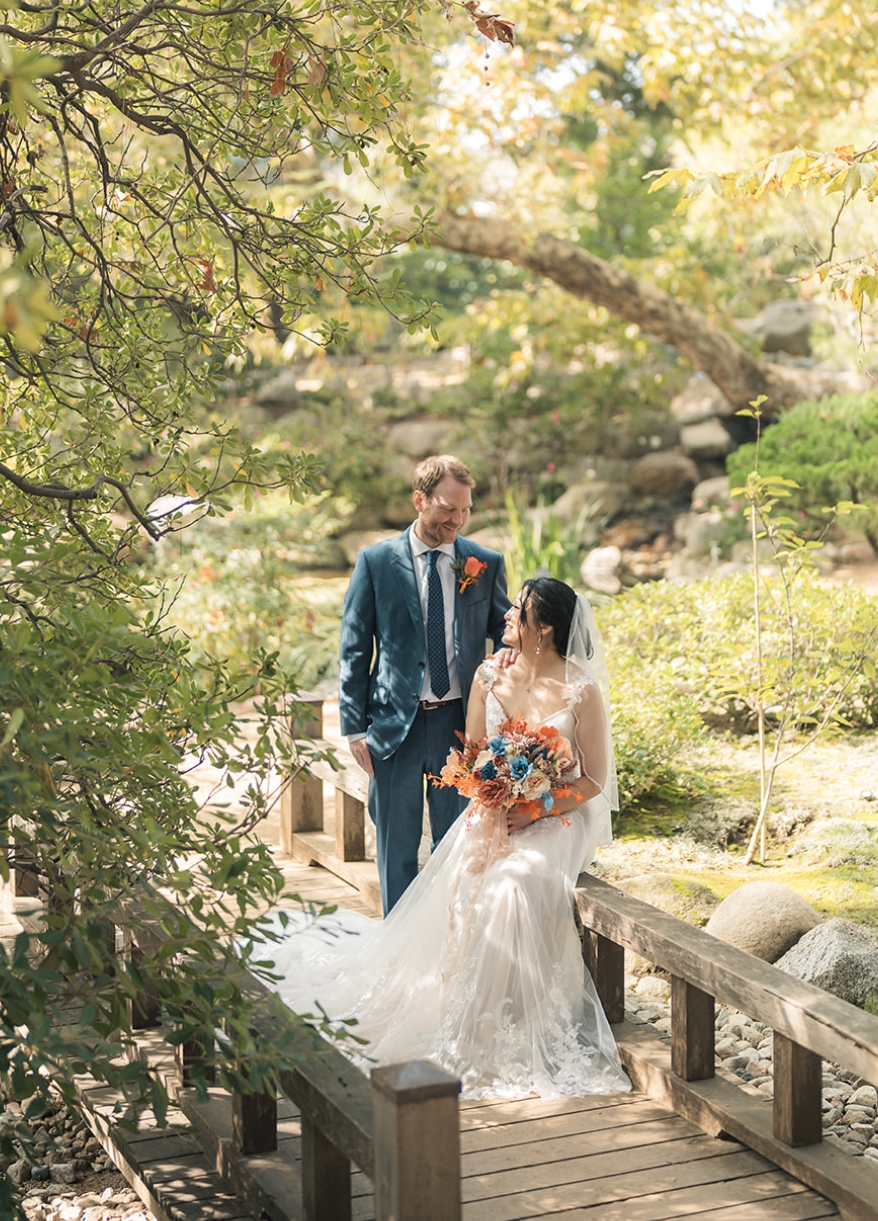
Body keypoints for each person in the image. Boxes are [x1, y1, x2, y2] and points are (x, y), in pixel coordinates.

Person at [254, 577, 630, 1102]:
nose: (505, 616)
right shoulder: (487, 675)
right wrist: (497, 794)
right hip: (495, 805)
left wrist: (537, 805)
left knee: (513, 887)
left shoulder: (581, 690)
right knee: (470, 878)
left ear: (542, 627)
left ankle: (501, 1024)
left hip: (558, 815)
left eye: (516, 611)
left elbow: (592, 781)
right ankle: (464, 1011)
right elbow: (475, 755)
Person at [338, 455, 511, 913]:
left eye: (466, 510)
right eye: (447, 509)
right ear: (420, 500)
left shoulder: (484, 562)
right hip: (395, 727)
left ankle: (445, 942)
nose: (457, 519)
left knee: (454, 846)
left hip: (460, 726)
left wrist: (511, 650)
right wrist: (354, 729)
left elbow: (506, 626)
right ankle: (397, 946)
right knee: (396, 847)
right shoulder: (375, 562)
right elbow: (355, 648)